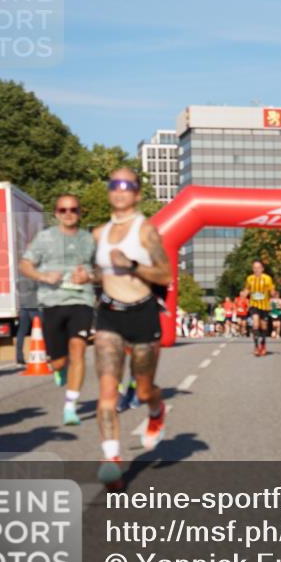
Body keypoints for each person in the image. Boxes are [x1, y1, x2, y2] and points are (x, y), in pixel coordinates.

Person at [91, 169, 172, 488]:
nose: (120, 190)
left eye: (127, 186)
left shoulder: (146, 231)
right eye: (114, 185)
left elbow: (165, 275)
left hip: (142, 315)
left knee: (142, 390)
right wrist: (91, 276)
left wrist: (133, 266)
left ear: (137, 193)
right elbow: (104, 272)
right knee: (107, 393)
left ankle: (156, 409)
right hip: (110, 316)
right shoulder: (98, 233)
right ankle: (111, 458)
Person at [20, 194, 97, 425]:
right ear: (56, 214)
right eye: (63, 210)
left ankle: (70, 406)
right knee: (59, 361)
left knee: (78, 349)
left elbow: (102, 271)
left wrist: (89, 276)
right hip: (52, 302)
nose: (68, 213)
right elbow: (25, 265)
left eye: (73, 209)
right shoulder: (45, 238)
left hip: (81, 301)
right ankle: (60, 368)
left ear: (80, 212)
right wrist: (43, 275)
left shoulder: (89, 240)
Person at [245, 260, 275, 356]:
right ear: (252, 269)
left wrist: (273, 293)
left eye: (258, 267)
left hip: (265, 306)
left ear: (262, 269)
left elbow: (272, 290)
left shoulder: (267, 278)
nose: (256, 269)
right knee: (255, 324)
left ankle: (263, 344)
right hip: (254, 305)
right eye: (254, 268)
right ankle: (256, 346)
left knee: (263, 326)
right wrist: (244, 294)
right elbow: (247, 289)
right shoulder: (250, 279)